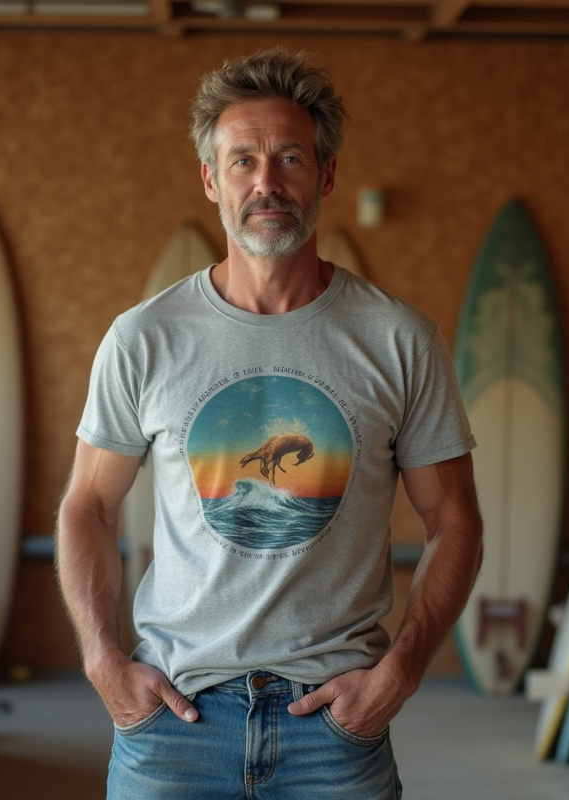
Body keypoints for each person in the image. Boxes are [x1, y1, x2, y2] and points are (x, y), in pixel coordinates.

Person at [56, 46, 483, 800]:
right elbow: (87, 505)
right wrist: (103, 661)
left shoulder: (397, 338)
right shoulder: (144, 338)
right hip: (175, 724)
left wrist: (400, 675)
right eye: (243, 159)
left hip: (334, 728)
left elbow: (455, 517)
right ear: (211, 180)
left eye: (289, 157)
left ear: (325, 176)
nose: (266, 182)